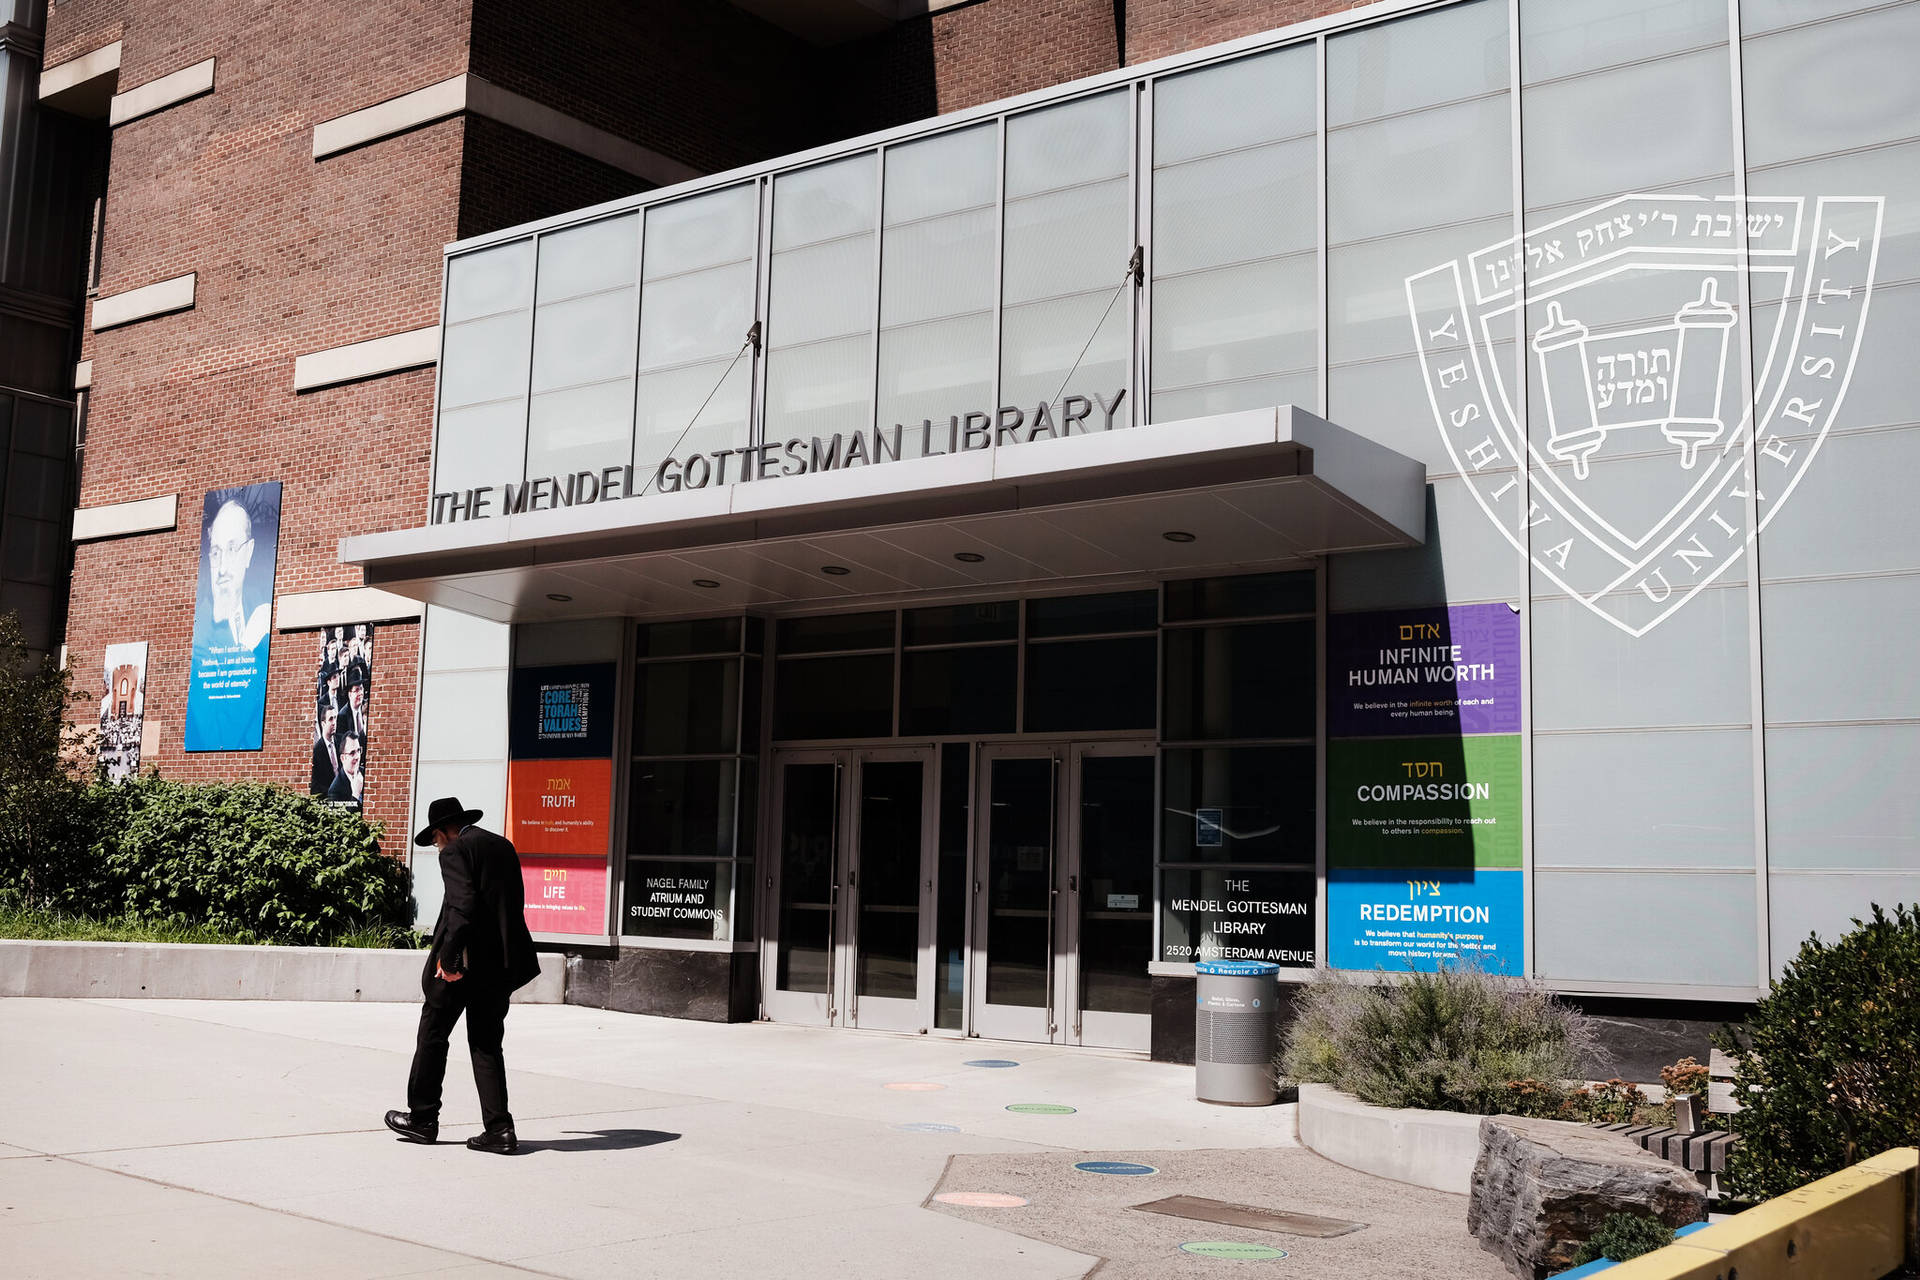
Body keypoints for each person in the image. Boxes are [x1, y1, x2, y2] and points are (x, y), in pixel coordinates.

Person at [385, 797, 540, 1153]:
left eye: (436, 839)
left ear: (444, 831)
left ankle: (422, 1119)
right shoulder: (502, 845)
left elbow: (463, 906)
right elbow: (510, 904)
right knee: (486, 1043)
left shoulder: (455, 851)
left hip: (464, 965)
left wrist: (450, 960)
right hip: (500, 965)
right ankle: (499, 1130)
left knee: (433, 1034)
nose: (437, 846)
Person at [309, 703, 340, 796]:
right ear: (323, 723)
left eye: (335, 718)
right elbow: (315, 785)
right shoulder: (316, 751)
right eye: (331, 719)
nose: (334, 722)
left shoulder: (341, 742)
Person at [326, 732, 364, 807]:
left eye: (358, 750)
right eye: (352, 753)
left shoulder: (365, 772)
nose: (357, 757)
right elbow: (341, 818)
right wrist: (355, 795)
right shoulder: (334, 791)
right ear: (343, 758)